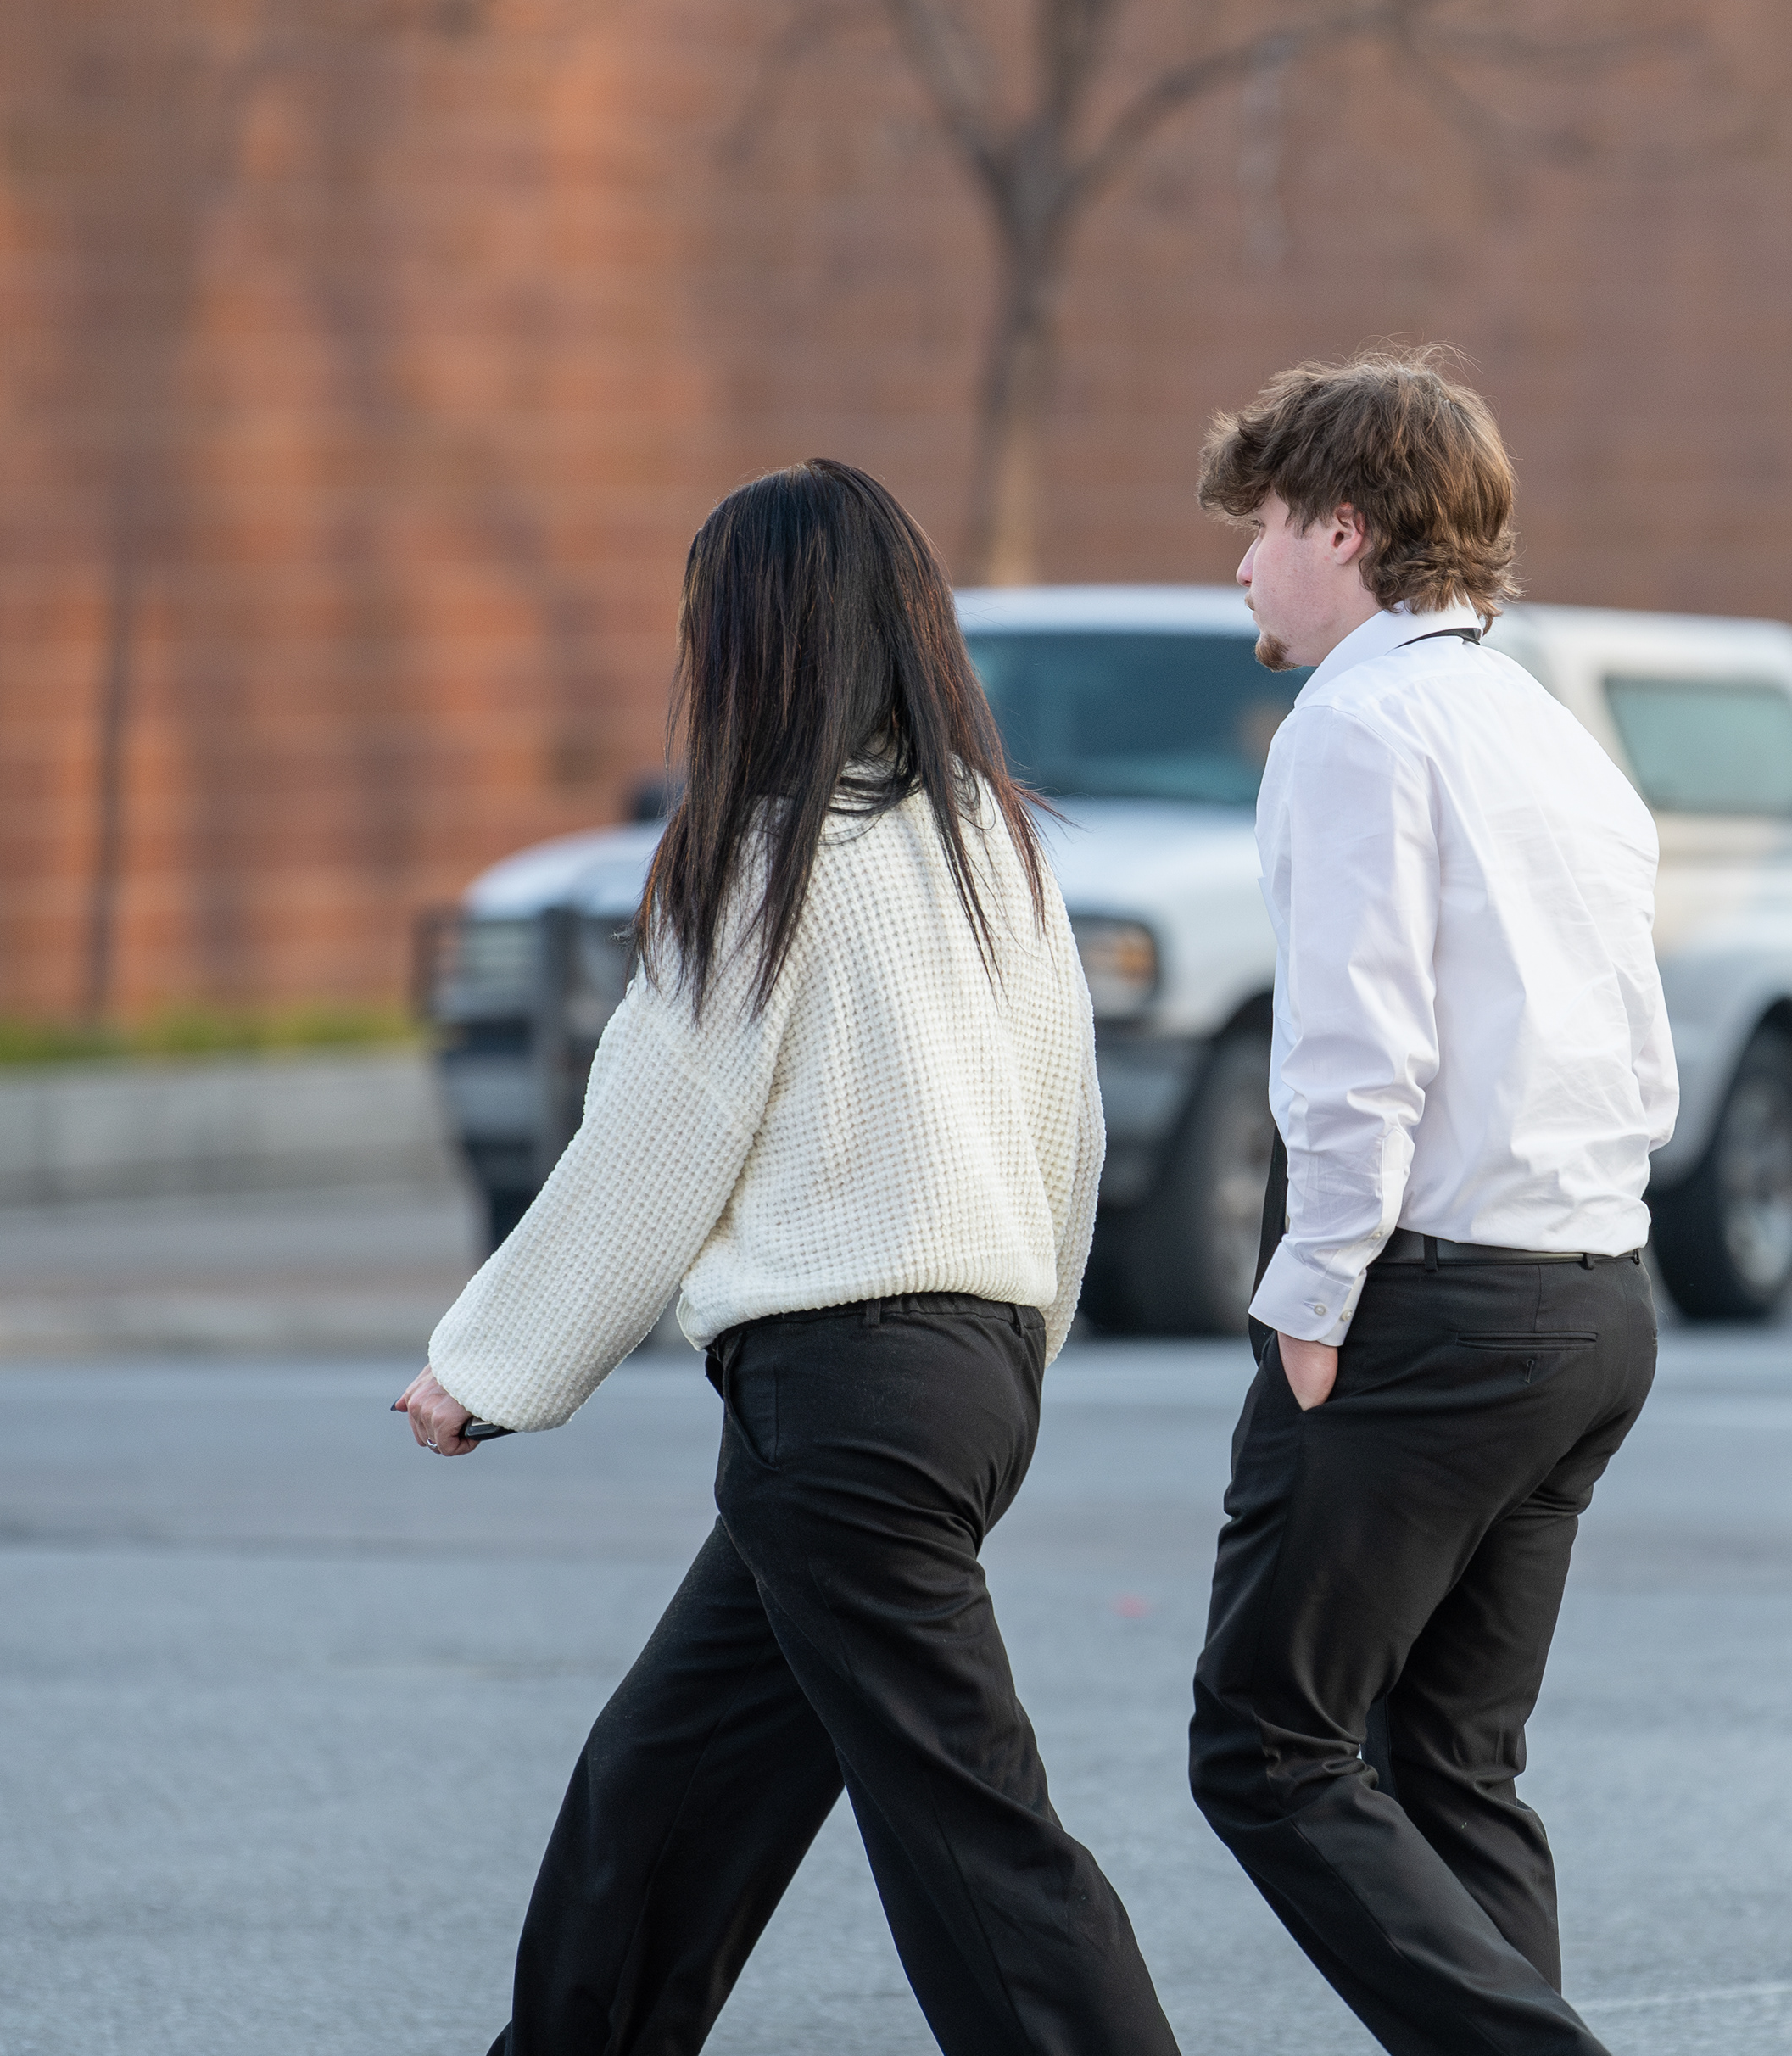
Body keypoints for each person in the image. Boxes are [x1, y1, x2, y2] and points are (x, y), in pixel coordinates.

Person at [392, 460, 1177, 2056]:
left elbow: (652, 1149)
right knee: (661, 1793)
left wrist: (485, 1368)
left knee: (973, 1838)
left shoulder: (758, 859)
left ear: (753, 641)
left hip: (843, 1405)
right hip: (958, 1378)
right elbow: (1066, 1128)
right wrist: (1019, 1344)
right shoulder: (990, 849)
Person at [1182, 351, 1679, 2056]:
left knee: (1265, 1738)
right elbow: (1641, 1048)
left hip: (1431, 1299)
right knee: (1454, 1760)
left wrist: (1312, 1296)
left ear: (1345, 524)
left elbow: (1354, 1047)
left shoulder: (1357, 724)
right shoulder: (1554, 736)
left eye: (1260, 524)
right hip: (1594, 1293)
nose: (1242, 563)